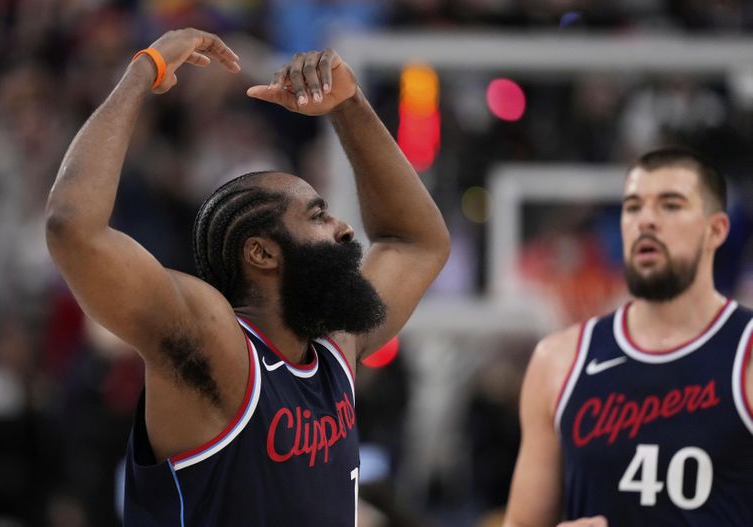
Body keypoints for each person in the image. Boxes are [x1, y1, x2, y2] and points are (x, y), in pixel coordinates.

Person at [45, 28, 449, 526]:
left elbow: (417, 242)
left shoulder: (334, 347)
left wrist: (350, 107)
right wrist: (141, 71)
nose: (345, 228)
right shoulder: (215, 343)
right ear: (261, 253)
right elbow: (73, 228)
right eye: (319, 217)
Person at [503, 147, 753, 527]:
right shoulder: (559, 360)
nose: (646, 221)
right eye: (633, 207)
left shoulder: (745, 351)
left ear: (715, 230)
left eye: (671, 205)